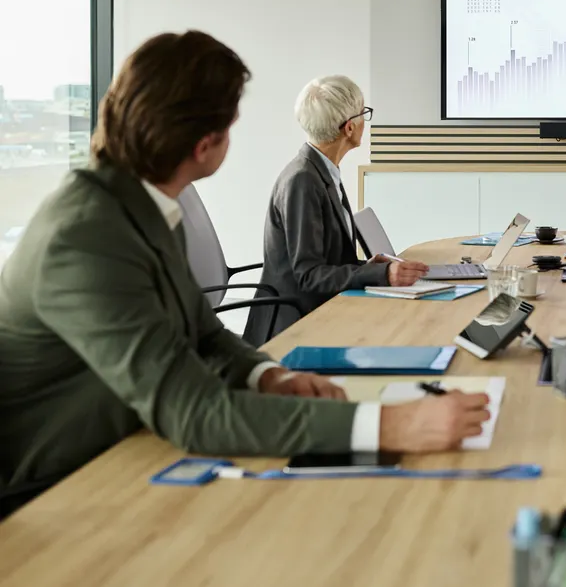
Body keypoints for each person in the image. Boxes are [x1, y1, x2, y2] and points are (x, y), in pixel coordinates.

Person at [0, 32, 487, 518]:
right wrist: (388, 426)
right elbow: (192, 411)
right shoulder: (87, 237)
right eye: (232, 126)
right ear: (206, 144)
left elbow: (204, 333)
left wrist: (267, 373)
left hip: (125, 448)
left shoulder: (135, 206)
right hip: (50, 497)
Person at [244, 76, 427, 346]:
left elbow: (326, 259)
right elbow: (309, 276)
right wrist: (381, 275)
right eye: (365, 114)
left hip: (322, 309)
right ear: (349, 128)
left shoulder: (321, 170)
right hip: (296, 327)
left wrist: (367, 267)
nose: (366, 121)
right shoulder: (302, 181)